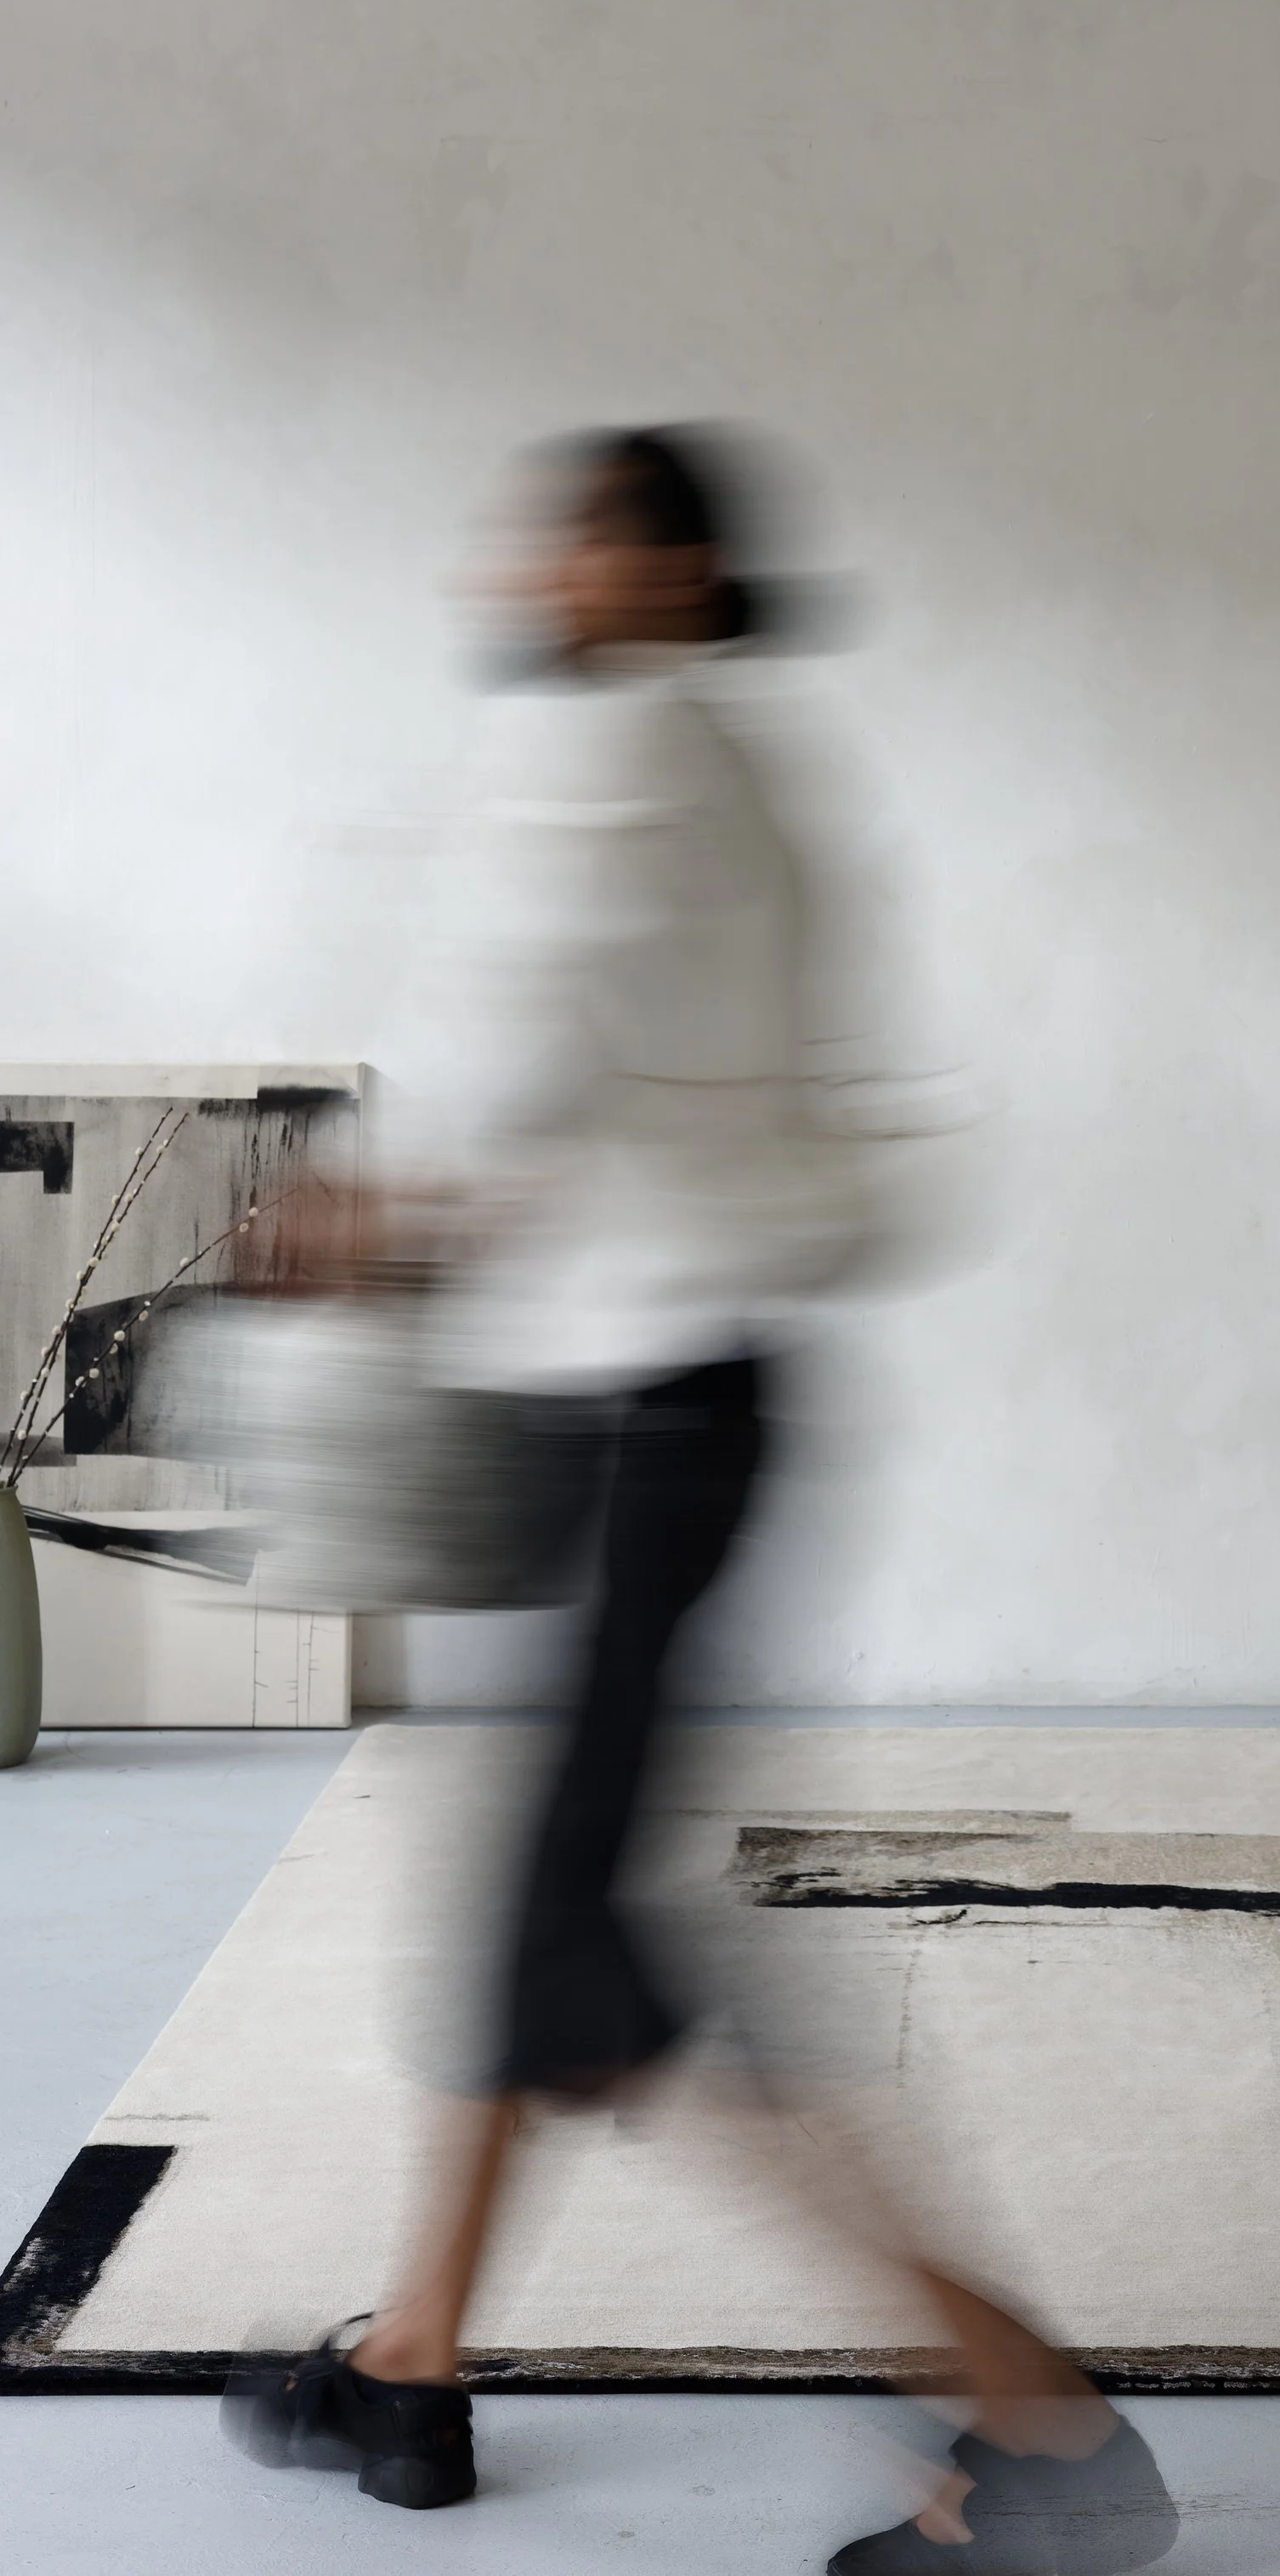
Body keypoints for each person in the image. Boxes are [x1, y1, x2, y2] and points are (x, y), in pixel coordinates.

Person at [222, 426, 1178, 2574]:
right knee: (537, 1897)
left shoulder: (618, 754)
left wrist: (372, 1217)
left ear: (659, 561)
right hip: (692, 1387)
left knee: (598, 1949)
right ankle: (416, 2364)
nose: (533, 560)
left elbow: (514, 1038)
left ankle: (1053, 2444)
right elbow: (774, 1087)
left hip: (641, 1406)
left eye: (572, 525)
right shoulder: (754, 763)